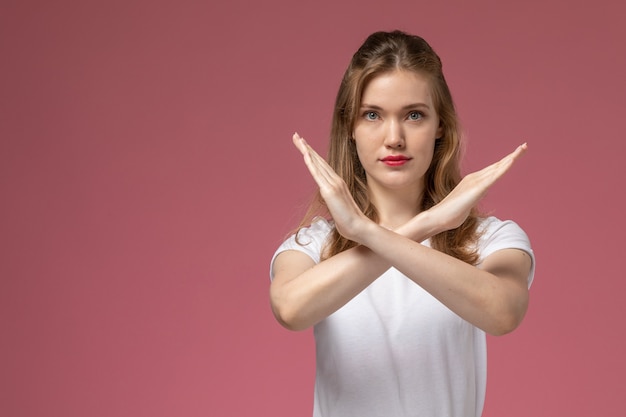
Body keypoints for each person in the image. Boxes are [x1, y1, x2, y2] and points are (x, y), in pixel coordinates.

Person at [269, 30, 535, 417]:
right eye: (372, 115)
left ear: (440, 125)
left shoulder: (491, 239)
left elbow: (503, 313)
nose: (394, 138)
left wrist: (368, 232)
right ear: (350, 127)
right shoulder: (314, 245)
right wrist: (425, 225)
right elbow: (290, 309)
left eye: (414, 115)